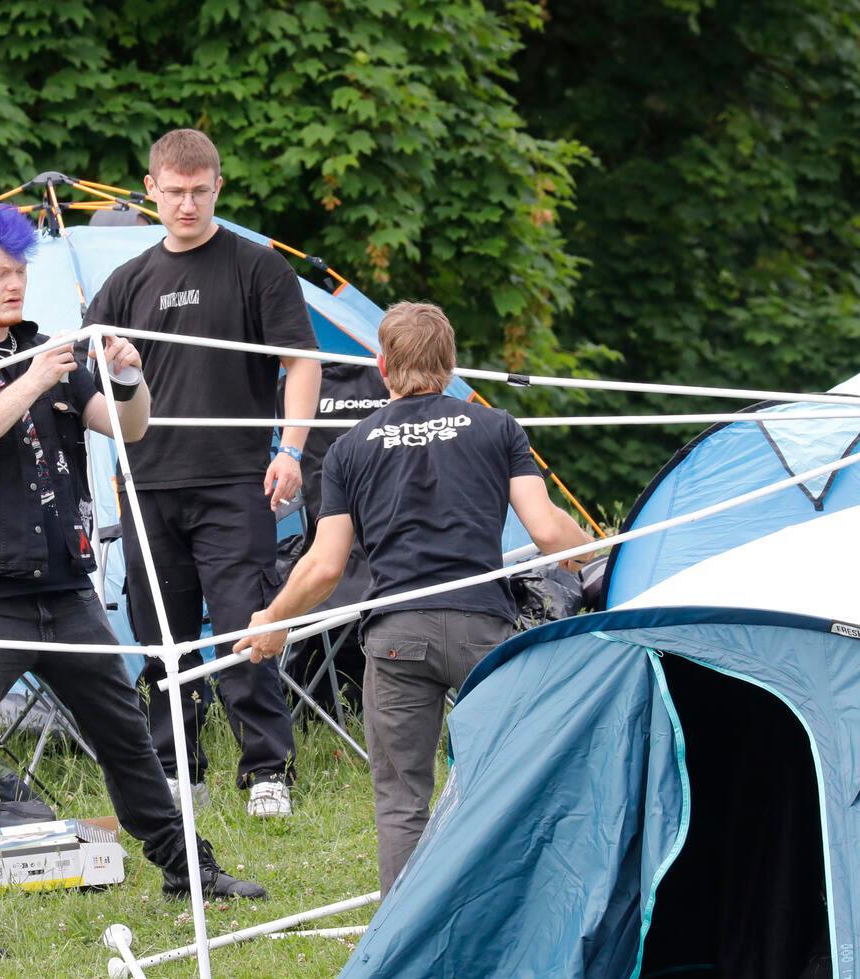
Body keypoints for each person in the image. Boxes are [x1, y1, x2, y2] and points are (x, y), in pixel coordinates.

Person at [0, 199, 267, 962]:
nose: (15, 286)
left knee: (126, 738)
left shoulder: (49, 351)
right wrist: (29, 382)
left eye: (21, 272)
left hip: (64, 589)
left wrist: (129, 377)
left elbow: (129, 428)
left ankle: (187, 872)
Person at [236, 302, 595, 896]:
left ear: (381, 366)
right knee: (505, 782)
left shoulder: (350, 447)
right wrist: (609, 556)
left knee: (403, 801)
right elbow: (552, 533)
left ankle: (407, 946)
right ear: (451, 366)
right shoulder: (497, 426)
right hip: (485, 630)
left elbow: (324, 566)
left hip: (398, 638)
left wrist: (273, 620)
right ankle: (514, 910)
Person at [86, 128, 321, 818]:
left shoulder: (257, 267)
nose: (186, 205)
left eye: (199, 191)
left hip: (236, 480)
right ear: (150, 191)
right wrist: (112, 361)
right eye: (173, 192)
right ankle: (176, 769)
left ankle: (267, 770)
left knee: (247, 626)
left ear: (218, 187)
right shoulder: (126, 282)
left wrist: (293, 450)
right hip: (148, 483)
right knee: (163, 634)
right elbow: (84, 377)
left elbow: (302, 363)